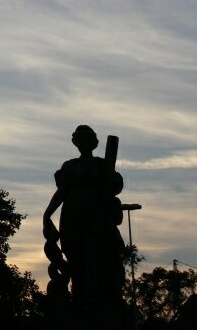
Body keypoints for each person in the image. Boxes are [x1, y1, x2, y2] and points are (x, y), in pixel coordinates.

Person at [43, 125, 125, 310]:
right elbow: (61, 193)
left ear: (94, 142)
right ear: (76, 143)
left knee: (95, 255)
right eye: (80, 139)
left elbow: (114, 188)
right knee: (76, 258)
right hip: (72, 217)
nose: (84, 143)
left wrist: (109, 178)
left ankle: (96, 298)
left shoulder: (103, 166)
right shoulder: (70, 166)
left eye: (88, 139)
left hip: (96, 218)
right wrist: (47, 214)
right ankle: (80, 297)